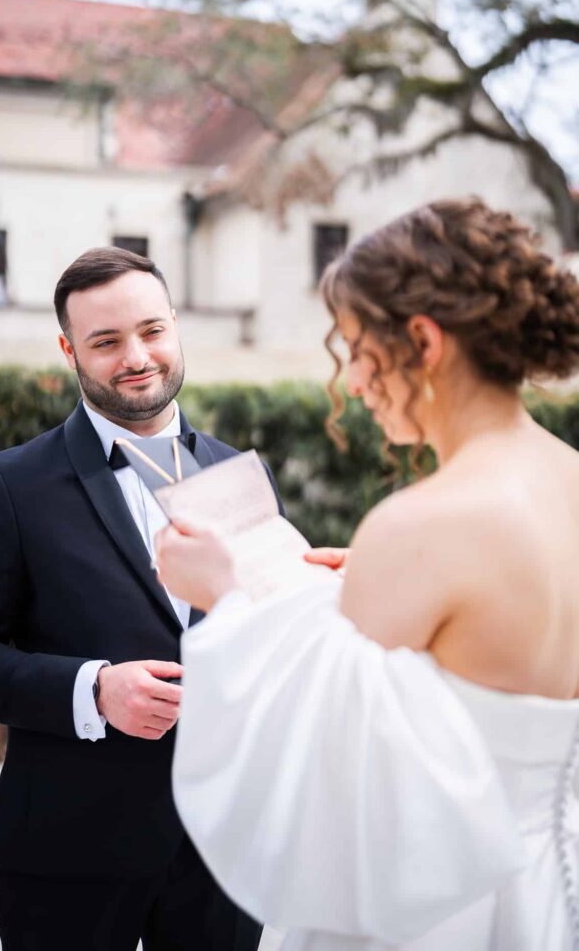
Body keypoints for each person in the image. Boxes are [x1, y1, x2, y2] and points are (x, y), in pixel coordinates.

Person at [154, 198, 579, 951]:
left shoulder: (422, 525)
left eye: (354, 348)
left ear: (422, 340)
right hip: (552, 888)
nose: (349, 381)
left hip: (439, 911)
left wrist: (225, 597)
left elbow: (328, 763)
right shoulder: (567, 478)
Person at [0, 247, 273, 951]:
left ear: (174, 326)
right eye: (106, 342)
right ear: (69, 350)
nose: (136, 356)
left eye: (151, 331)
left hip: (223, 850)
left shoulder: (235, 470)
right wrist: (92, 690)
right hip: (67, 857)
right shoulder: (12, 485)